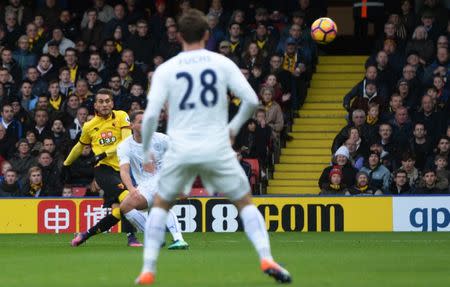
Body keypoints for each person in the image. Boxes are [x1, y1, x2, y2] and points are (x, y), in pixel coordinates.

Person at [135, 9, 291, 285]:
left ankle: (148, 269)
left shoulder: (166, 70)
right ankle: (266, 257)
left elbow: (149, 117)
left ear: (179, 36)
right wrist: (232, 129)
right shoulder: (221, 63)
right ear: (207, 35)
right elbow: (252, 101)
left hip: (180, 147)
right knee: (244, 203)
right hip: (216, 146)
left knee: (160, 205)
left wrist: (146, 151)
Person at [64, 88, 141, 247]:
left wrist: (104, 153)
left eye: (107, 101)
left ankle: (85, 234)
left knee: (121, 209)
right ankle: (132, 238)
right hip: (104, 170)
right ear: (96, 105)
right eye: (101, 101)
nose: (105, 104)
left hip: (124, 169)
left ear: (112, 103)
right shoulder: (89, 126)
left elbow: (126, 143)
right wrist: (66, 164)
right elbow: (79, 146)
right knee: (128, 199)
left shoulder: (121, 116)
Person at [117, 110, 188, 250]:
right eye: (141, 122)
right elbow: (124, 171)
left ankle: (179, 239)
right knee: (125, 207)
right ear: (131, 125)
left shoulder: (162, 139)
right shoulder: (124, 146)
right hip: (144, 184)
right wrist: (131, 189)